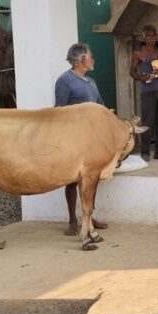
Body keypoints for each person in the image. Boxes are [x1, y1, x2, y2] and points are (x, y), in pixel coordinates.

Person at [54, 42, 108, 236]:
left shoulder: (91, 82)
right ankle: (72, 221)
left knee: (91, 179)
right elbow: (59, 111)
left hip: (92, 140)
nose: (93, 60)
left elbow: (100, 105)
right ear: (83, 59)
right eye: (91, 57)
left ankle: (89, 218)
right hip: (73, 140)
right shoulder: (64, 80)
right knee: (71, 179)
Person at [131, 25, 158, 161]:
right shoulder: (138, 53)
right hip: (147, 91)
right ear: (143, 37)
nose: (151, 38)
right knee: (147, 121)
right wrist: (141, 77)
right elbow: (132, 72)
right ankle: (145, 152)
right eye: (148, 35)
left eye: (153, 35)